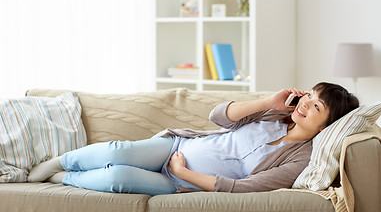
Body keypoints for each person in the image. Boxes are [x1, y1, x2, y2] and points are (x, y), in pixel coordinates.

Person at [28, 82, 359, 196]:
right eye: (309, 95)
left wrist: (185, 174)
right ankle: (59, 162)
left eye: (317, 105)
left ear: (326, 125)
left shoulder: (301, 158)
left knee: (118, 177)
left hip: (184, 182)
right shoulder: (275, 115)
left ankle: (66, 178)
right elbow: (217, 115)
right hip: (177, 146)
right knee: (120, 150)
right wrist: (268, 103)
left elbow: (249, 187)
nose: (304, 103)